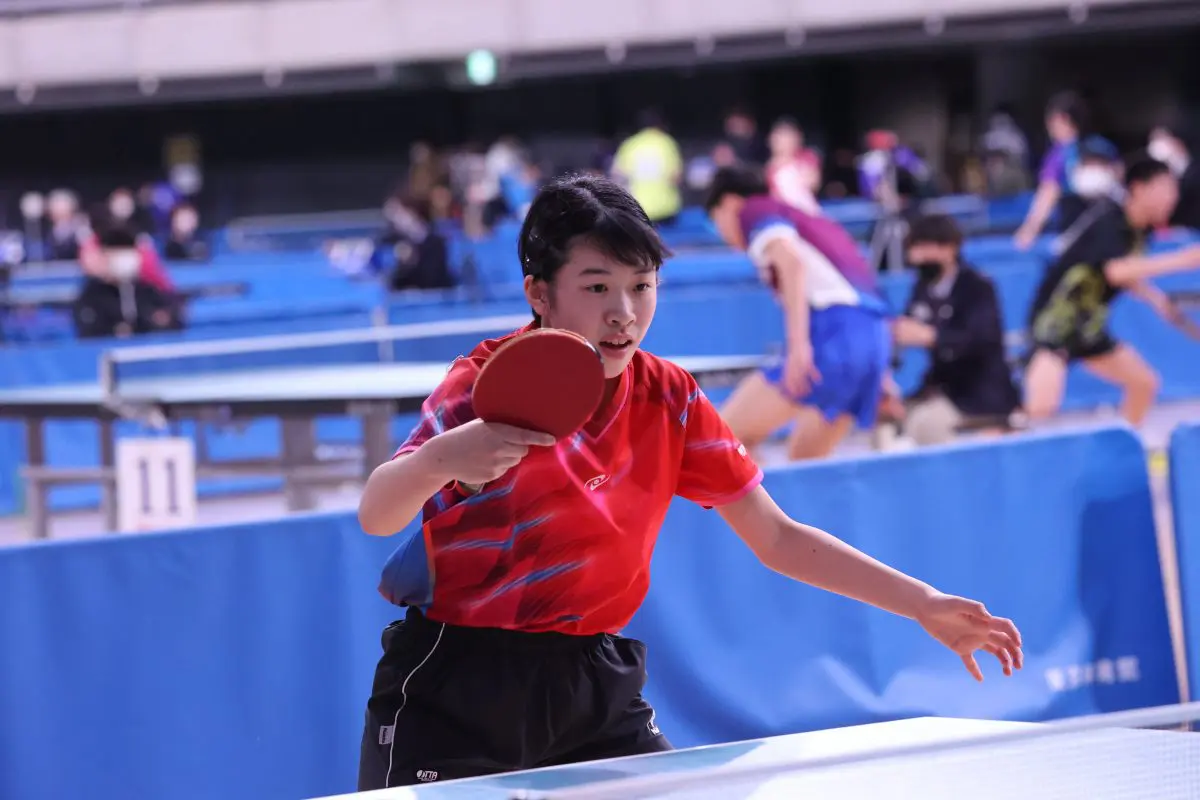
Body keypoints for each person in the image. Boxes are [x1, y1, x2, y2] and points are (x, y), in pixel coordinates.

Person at [355, 175, 1023, 790]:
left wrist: (923, 603)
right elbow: (377, 514)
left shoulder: (668, 398)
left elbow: (777, 537)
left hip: (595, 680)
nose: (623, 312)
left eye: (641, 286)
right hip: (460, 684)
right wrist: (440, 459)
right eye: (596, 288)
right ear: (539, 293)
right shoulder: (485, 385)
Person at [704, 166, 892, 460]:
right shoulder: (813, 223)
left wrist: (798, 346)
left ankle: (753, 492)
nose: (723, 234)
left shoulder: (753, 210)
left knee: (722, 438)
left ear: (728, 203)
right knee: (806, 465)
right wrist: (884, 375)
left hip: (832, 336)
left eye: (716, 221)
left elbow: (791, 264)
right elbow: (871, 300)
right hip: (874, 343)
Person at [1024, 155, 1200, 426]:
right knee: (1039, 410)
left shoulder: (1140, 230)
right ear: (1139, 188)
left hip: (1088, 326)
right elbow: (1115, 271)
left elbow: (1127, 272)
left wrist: (1156, 300)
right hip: (1054, 322)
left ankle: (1123, 446)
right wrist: (1183, 260)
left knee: (1143, 383)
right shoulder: (1110, 219)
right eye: (1166, 188)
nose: (1172, 198)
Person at [893, 215, 1022, 446]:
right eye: (914, 249)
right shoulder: (922, 288)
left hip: (979, 392)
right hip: (939, 387)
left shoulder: (977, 287)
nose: (918, 257)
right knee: (890, 420)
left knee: (926, 424)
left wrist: (932, 337)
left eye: (925, 247)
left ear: (950, 248)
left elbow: (979, 339)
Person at [1014, 92, 1117, 249]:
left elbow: (1048, 193)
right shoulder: (1105, 146)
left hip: (1077, 232)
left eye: (1050, 121)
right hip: (1111, 230)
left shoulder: (1059, 155)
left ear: (1062, 119)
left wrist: (1029, 230)